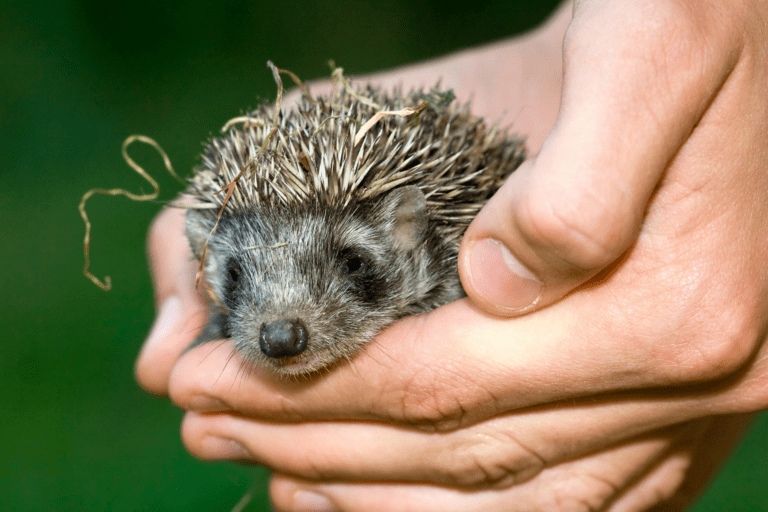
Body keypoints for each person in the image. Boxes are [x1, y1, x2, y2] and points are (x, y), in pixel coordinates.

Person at [135, 1, 768, 510]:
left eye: (352, 266)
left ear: (409, 233)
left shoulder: (465, 243)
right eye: (241, 278)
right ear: (208, 263)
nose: (279, 330)